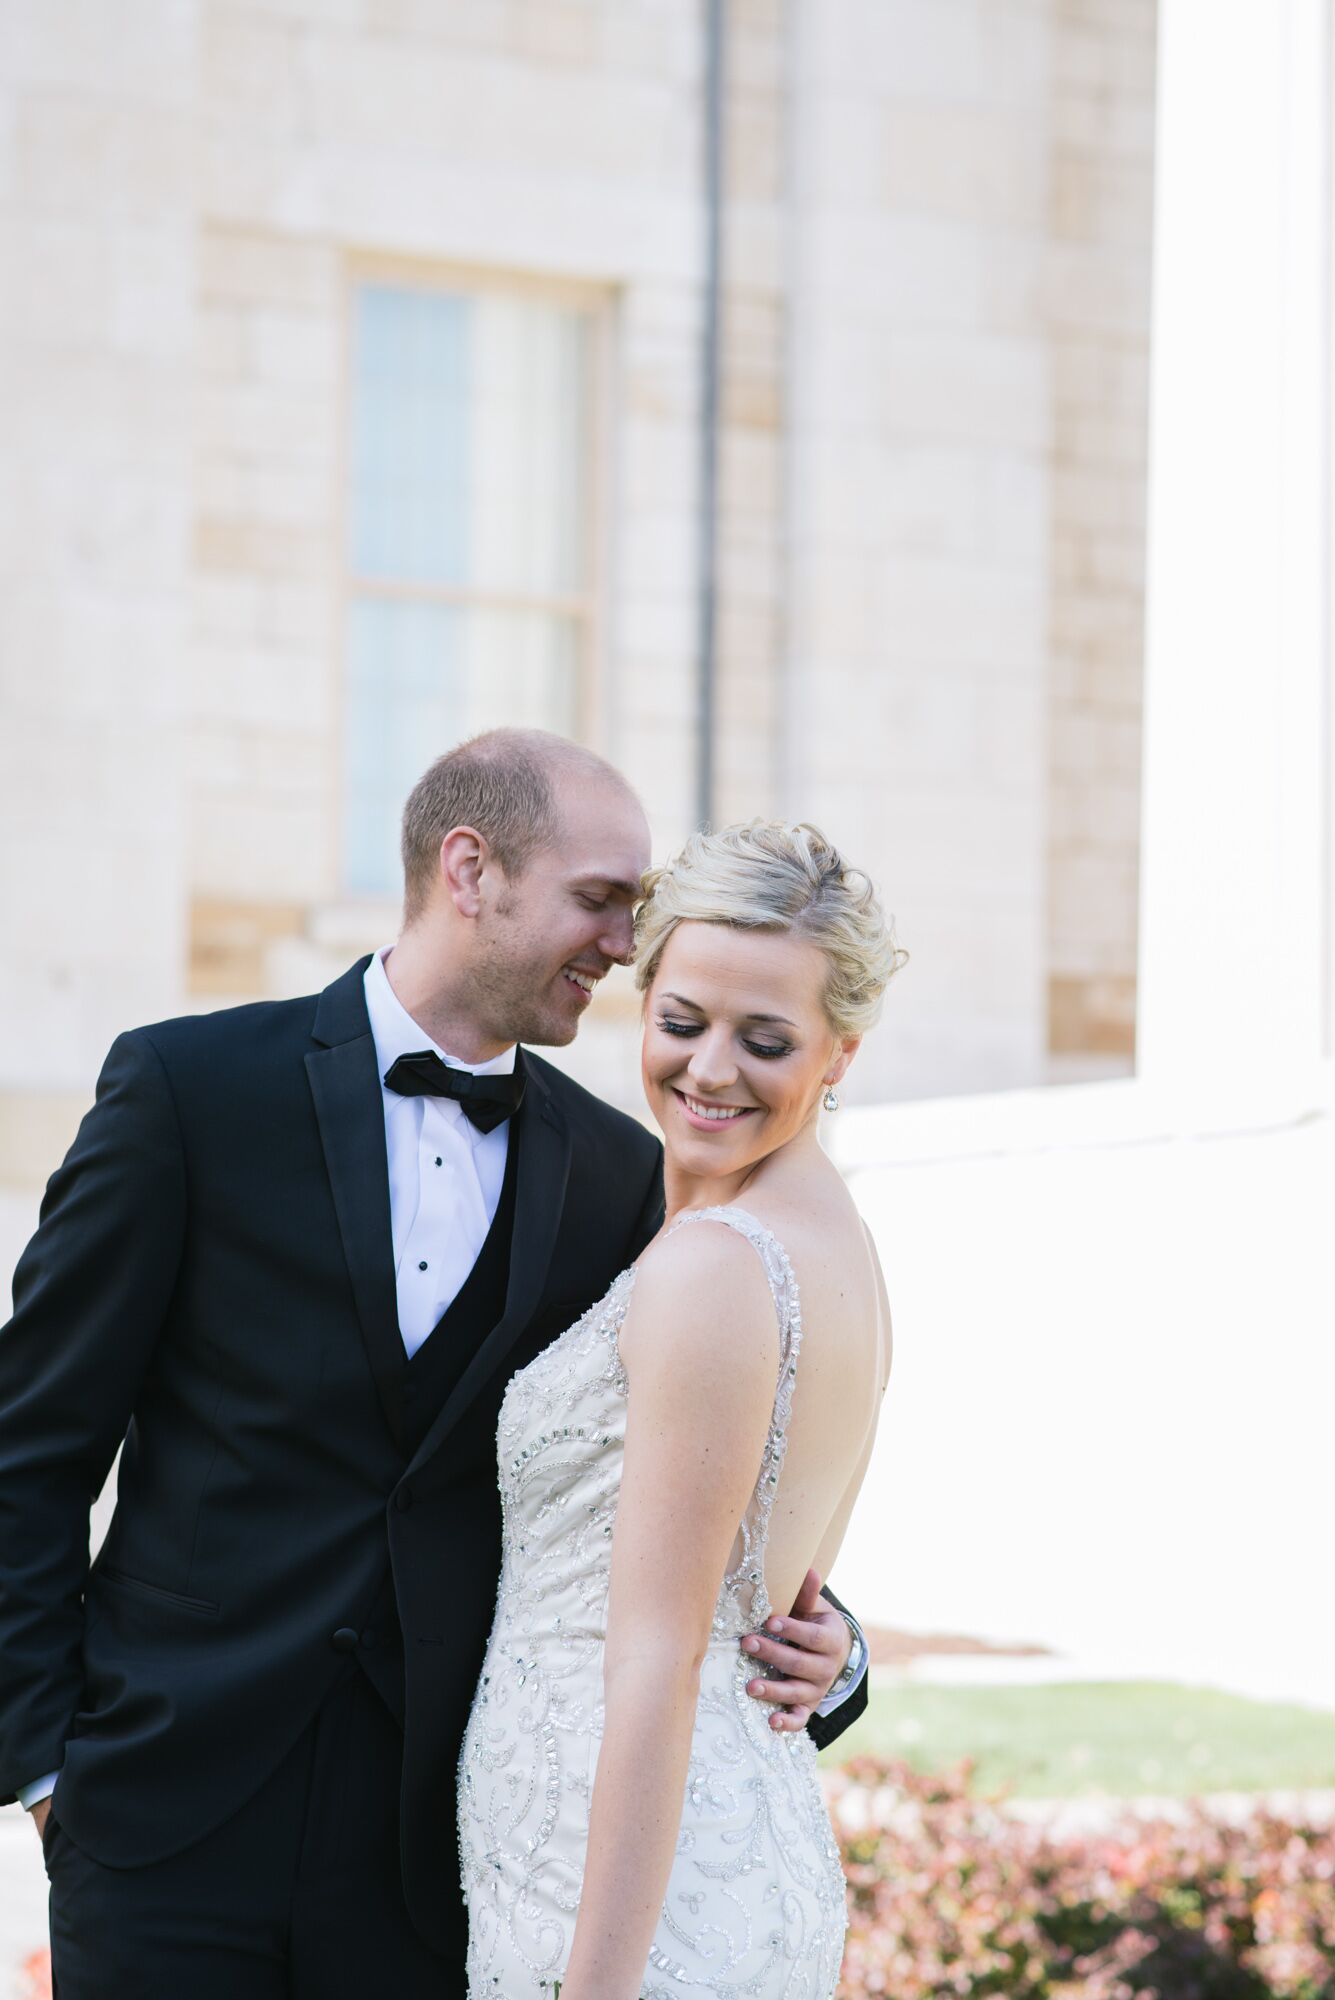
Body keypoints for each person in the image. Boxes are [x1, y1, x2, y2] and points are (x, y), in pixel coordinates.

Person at [0, 731, 869, 1999]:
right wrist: (46, 1768)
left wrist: (824, 1644)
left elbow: (697, 1459)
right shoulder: (189, 1090)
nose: (625, 944)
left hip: (439, 1857)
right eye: (598, 898)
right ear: (471, 869)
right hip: (162, 1826)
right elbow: (32, 1444)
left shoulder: (623, 1172)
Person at [459, 817, 900, 1999]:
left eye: (766, 1040)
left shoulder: (716, 1258)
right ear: (642, 994)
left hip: (625, 1901)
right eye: (682, 1022)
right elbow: (770, 1581)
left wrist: (596, 1985)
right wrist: (842, 1648)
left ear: (840, 1052)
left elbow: (657, 1654)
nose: (709, 1071)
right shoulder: (838, 1246)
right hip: (717, 1843)